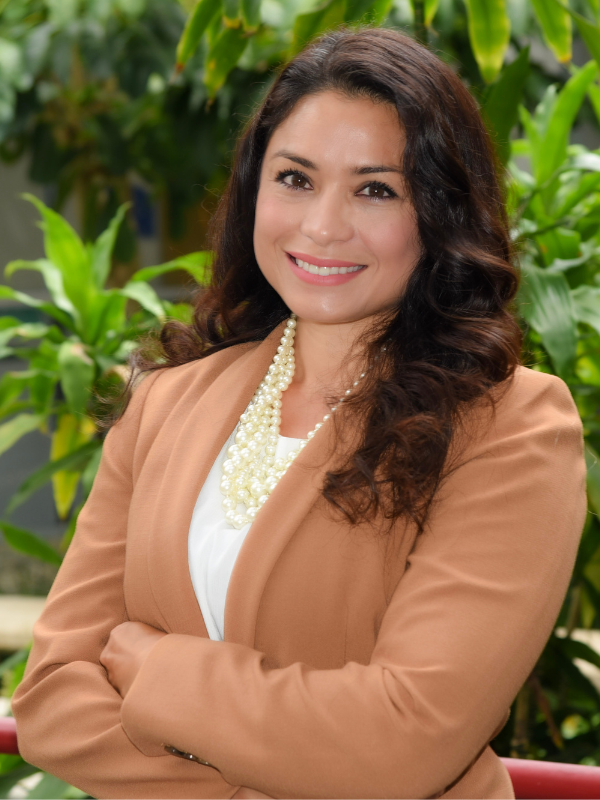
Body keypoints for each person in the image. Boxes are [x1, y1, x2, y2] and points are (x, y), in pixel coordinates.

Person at [12, 25, 586, 800]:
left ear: (442, 214)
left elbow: (403, 740)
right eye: (295, 178)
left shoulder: (510, 427)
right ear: (255, 189)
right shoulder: (165, 402)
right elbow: (50, 699)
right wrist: (287, 772)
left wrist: (158, 672)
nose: (322, 225)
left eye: (375, 189)